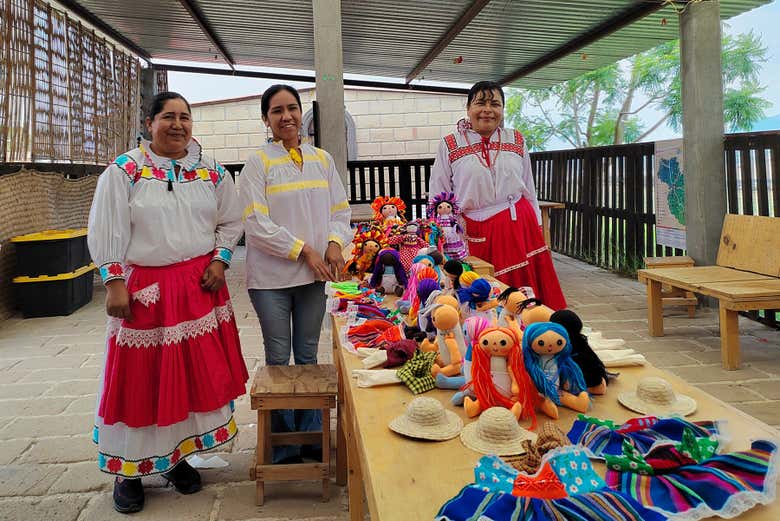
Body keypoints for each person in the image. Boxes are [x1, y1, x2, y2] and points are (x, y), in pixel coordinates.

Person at [87, 92, 248, 513]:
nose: (178, 125)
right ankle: (129, 471)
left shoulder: (210, 172)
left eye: (185, 117)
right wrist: (113, 281)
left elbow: (231, 219)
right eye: (168, 117)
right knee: (140, 381)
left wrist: (221, 258)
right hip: (147, 294)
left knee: (189, 380)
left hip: (198, 289)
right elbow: (107, 227)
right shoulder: (125, 172)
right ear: (148, 123)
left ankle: (174, 459)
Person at [239, 85, 353, 464]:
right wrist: (304, 249)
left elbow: (340, 210)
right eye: (276, 111)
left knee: (307, 355)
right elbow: (255, 223)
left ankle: (312, 437)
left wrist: (335, 243)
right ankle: (283, 443)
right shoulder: (258, 163)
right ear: (265, 119)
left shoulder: (322, 158)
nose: (286, 116)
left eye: (292, 108)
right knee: (278, 356)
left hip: (313, 278)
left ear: (301, 113)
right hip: (271, 279)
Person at [428, 81, 566, 310]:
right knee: (483, 292)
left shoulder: (516, 139)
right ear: (468, 108)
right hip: (473, 227)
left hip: (518, 224)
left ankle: (530, 332)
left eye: (495, 104)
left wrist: (537, 226)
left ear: (502, 109)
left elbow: (529, 187)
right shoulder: (450, 144)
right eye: (480, 103)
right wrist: (440, 232)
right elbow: (439, 191)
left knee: (525, 293)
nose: (487, 110)